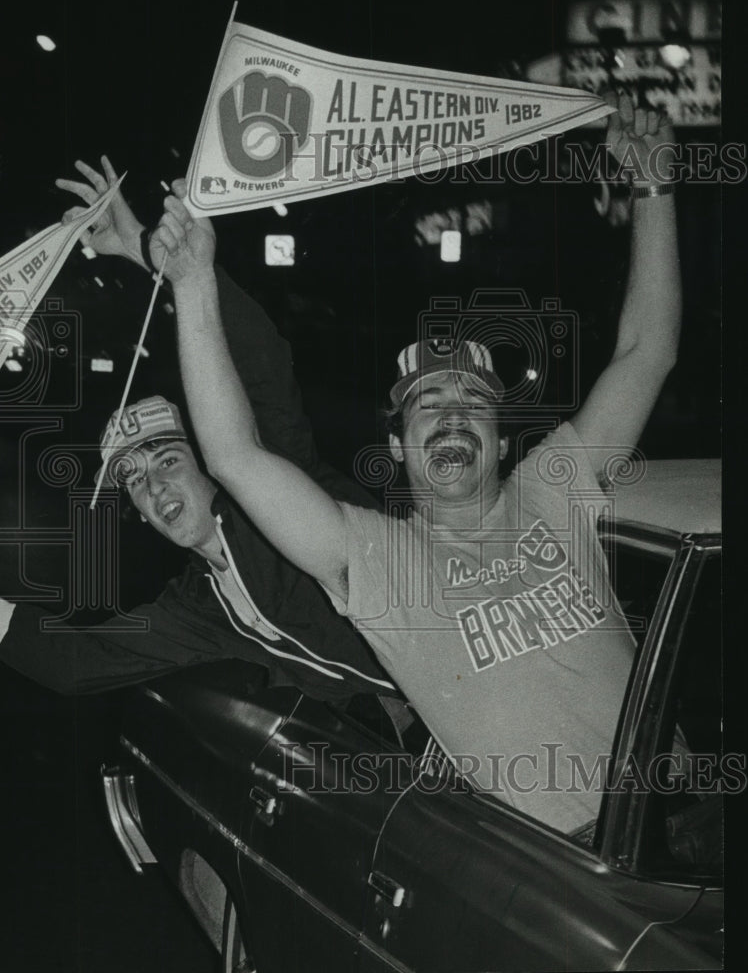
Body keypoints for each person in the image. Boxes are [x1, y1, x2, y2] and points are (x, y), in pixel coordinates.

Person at [155, 95, 682, 833]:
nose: (453, 414)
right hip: (583, 868)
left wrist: (655, 184)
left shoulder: (554, 485)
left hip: (694, 808)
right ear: (400, 446)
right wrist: (192, 282)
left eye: (473, 401)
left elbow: (645, 352)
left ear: (502, 441)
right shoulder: (377, 558)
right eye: (427, 405)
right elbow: (235, 457)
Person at [0, 158, 395, 702]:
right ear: (136, 510)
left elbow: (264, 368)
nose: (155, 487)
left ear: (207, 458)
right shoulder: (202, 603)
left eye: (167, 459)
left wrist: (151, 251)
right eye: (134, 477)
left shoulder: (283, 482)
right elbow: (77, 661)